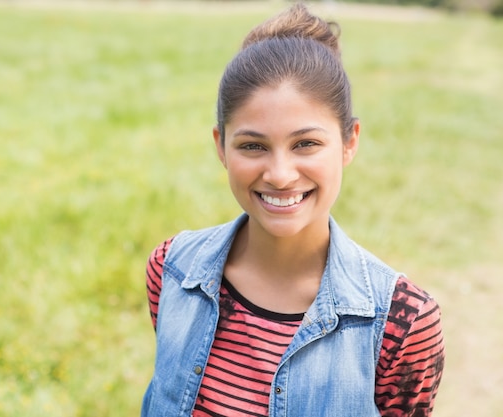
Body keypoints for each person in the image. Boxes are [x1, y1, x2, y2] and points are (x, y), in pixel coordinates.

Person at [142, 3, 445, 416]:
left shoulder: (402, 324)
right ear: (220, 146)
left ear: (349, 141)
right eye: (253, 146)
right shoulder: (172, 270)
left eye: (306, 144)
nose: (280, 175)